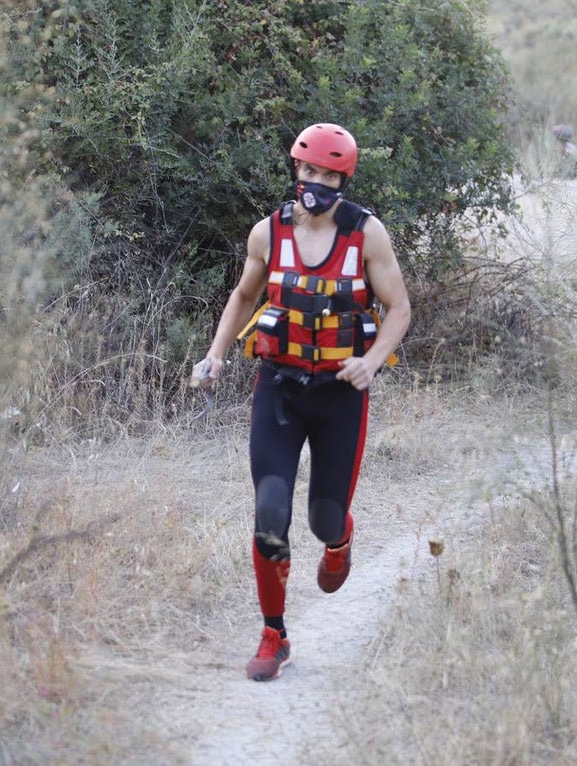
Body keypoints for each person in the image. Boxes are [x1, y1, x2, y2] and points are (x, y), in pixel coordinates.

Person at [191, 122, 411, 681]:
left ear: (344, 178)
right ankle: (274, 634)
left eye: (328, 174)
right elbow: (244, 295)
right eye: (307, 170)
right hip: (279, 390)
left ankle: (340, 541)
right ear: (296, 170)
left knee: (322, 518)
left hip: (341, 395)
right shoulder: (267, 234)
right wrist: (215, 355)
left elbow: (400, 309)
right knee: (269, 513)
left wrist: (371, 359)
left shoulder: (367, 234)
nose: (315, 182)